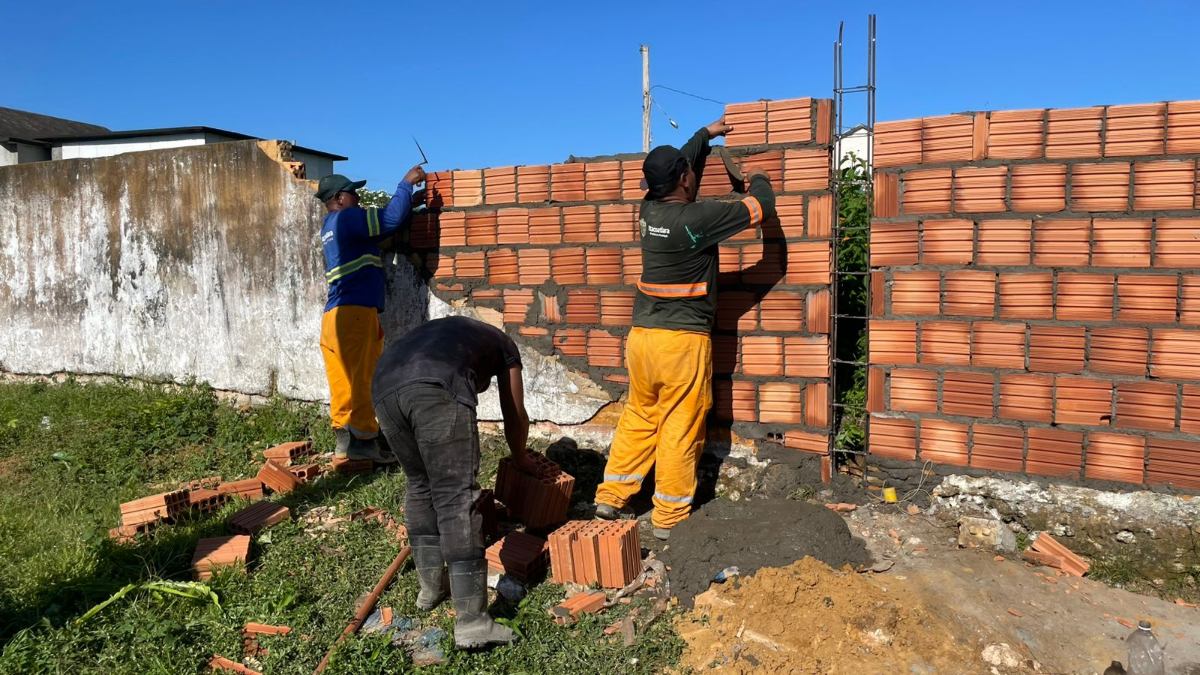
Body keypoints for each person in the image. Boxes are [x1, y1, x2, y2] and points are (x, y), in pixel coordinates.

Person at [593, 117, 777, 540]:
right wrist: (758, 179)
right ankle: (670, 516)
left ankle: (611, 495)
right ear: (683, 180)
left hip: (643, 339)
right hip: (682, 344)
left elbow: (680, 167)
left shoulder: (649, 209)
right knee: (680, 424)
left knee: (640, 414)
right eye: (689, 170)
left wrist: (704, 136)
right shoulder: (698, 219)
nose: (693, 172)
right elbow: (761, 208)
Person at [372, 315, 538, 649]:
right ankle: (474, 624)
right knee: (455, 494)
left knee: (419, 483)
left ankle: (431, 589)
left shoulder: (452, 333)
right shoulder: (506, 346)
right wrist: (521, 457)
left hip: (383, 385)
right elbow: (515, 413)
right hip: (435, 384)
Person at [314, 166, 425, 463]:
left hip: (334, 316)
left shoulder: (330, 226)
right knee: (363, 379)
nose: (359, 199)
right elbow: (388, 220)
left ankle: (344, 442)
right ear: (339, 198)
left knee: (342, 382)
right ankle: (363, 445)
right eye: (354, 194)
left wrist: (408, 207)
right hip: (355, 313)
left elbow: (379, 232)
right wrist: (405, 185)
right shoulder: (348, 217)